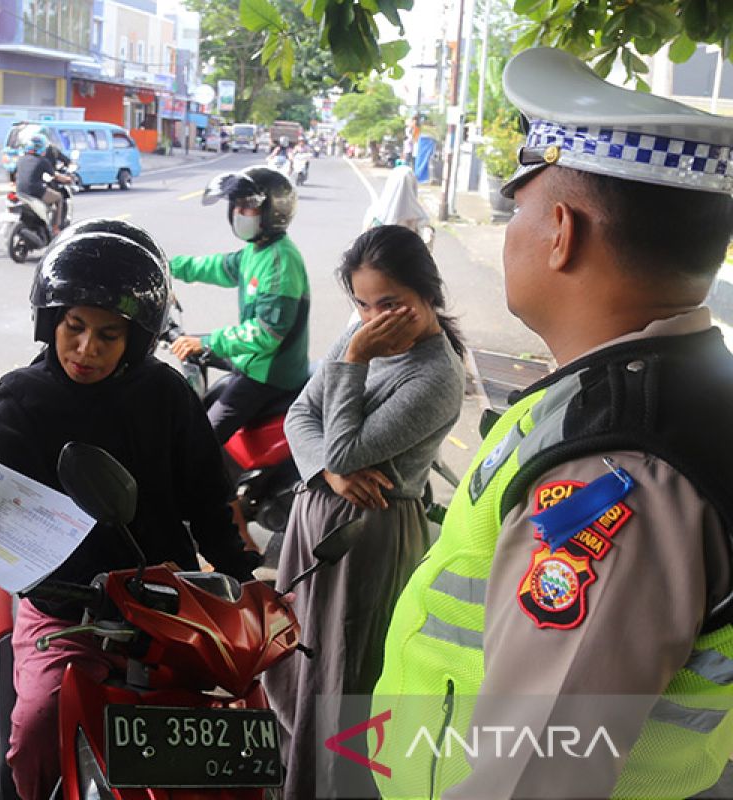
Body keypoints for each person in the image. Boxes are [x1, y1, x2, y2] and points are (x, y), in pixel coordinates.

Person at [370, 47, 733, 799]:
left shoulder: (615, 469)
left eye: (517, 208)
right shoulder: (655, 393)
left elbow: (534, 778)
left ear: (561, 231)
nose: (510, 231)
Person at [0, 219, 262, 800]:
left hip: (168, 595)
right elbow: (11, 522)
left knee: (241, 717)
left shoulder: (166, 395)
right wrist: (58, 588)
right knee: (37, 722)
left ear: (134, 340)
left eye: (108, 335)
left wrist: (243, 578)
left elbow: (208, 498)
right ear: (51, 322)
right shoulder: (21, 401)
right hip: (67, 602)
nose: (86, 349)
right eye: (74, 327)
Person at [262, 225, 465, 800]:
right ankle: (288, 769)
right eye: (363, 304)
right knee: (298, 657)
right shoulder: (363, 337)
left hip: (364, 540)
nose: (375, 318)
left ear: (428, 294)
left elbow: (347, 447)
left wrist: (354, 359)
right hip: (315, 516)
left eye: (391, 303)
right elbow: (301, 414)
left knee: (341, 672)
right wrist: (325, 471)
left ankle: (327, 786)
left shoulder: (435, 377)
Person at [169, 166, 311, 444]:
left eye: (247, 207)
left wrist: (208, 341)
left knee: (201, 440)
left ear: (274, 212)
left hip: (270, 371)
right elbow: (216, 267)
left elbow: (266, 333)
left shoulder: (280, 261)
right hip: (256, 359)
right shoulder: (257, 250)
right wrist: (166, 266)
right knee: (189, 348)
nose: (237, 213)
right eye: (235, 206)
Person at [14, 133, 71, 233]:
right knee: (59, 197)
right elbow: (55, 176)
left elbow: (14, 174)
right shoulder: (42, 161)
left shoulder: (21, 159)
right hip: (35, 191)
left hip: (19, 191)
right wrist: (67, 180)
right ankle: (55, 228)